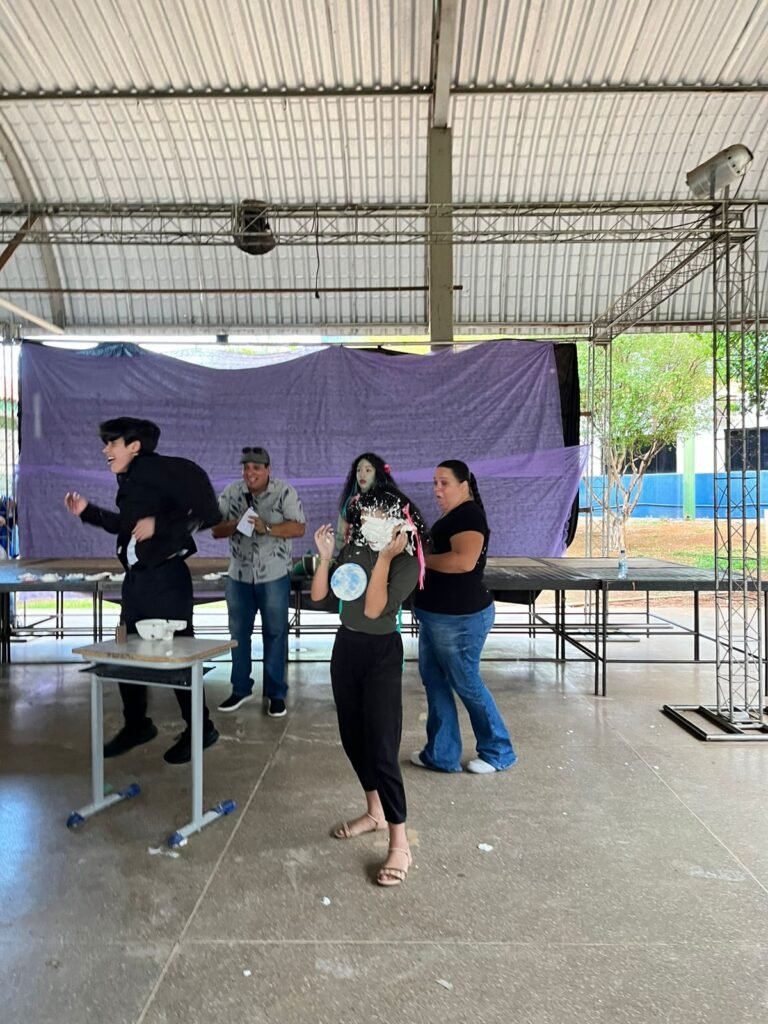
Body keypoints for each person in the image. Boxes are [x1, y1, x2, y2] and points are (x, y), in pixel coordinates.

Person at [64, 417, 222, 764]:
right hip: (138, 581)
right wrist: (87, 512)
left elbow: (208, 513)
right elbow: (127, 526)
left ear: (134, 446)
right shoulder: (133, 480)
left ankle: (202, 729)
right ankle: (137, 724)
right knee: (126, 650)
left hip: (166, 582)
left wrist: (159, 524)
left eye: (112, 443)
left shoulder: (156, 471)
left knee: (179, 655)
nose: (105, 450)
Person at [311, 478, 428, 887]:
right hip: (347, 647)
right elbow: (321, 597)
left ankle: (400, 842)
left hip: (381, 653)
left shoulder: (406, 562)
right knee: (352, 737)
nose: (369, 523)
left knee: (382, 747)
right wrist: (325, 558)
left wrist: (386, 556)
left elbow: (376, 608)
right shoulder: (354, 550)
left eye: (379, 516)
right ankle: (374, 811)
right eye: (366, 517)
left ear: (398, 521)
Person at [410, 460, 517, 775]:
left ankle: (499, 751)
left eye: (444, 483)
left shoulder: (469, 516)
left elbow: (463, 561)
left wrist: (419, 559)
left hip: (459, 620)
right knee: (435, 681)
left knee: (466, 682)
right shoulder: (453, 516)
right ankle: (441, 754)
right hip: (436, 617)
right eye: (434, 483)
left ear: (464, 485)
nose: (437, 489)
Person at [213, 446, 305, 718]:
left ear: (267, 469)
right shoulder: (231, 493)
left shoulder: (284, 492)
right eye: (246, 467)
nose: (249, 472)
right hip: (239, 575)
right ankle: (240, 689)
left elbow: (299, 527)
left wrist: (268, 528)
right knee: (238, 634)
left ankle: (276, 694)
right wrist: (236, 524)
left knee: (275, 633)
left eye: (256, 467)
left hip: (273, 574)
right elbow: (216, 530)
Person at [335, 453, 396, 549]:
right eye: (358, 470)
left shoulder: (389, 502)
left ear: (378, 474)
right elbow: (340, 541)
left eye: (368, 470)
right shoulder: (349, 504)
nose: (362, 475)